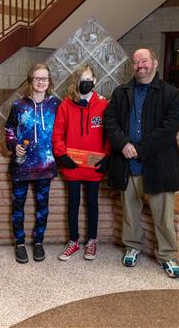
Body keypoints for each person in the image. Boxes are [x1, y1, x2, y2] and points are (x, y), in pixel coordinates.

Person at [103, 48, 179, 278]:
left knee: (163, 216)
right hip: (128, 164)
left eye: (144, 61)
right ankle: (132, 246)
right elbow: (110, 122)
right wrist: (124, 144)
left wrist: (140, 148)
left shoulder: (171, 93)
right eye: (136, 62)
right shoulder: (121, 93)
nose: (140, 66)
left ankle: (167, 255)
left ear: (155, 63)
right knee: (130, 211)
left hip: (158, 165)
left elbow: (170, 128)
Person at [52, 64, 110, 261]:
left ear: (95, 81)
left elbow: (109, 133)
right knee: (73, 203)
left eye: (89, 80)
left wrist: (108, 156)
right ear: (76, 82)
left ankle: (92, 241)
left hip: (94, 166)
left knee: (92, 203)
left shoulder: (103, 105)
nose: (85, 83)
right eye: (81, 80)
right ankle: (74, 241)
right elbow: (58, 134)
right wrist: (61, 155)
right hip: (72, 166)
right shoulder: (66, 105)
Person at [4, 63, 61, 263]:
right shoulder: (19, 105)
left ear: (49, 81)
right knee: (18, 206)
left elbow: (62, 132)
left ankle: (38, 242)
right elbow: (9, 128)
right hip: (21, 165)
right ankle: (20, 244)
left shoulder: (56, 104)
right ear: (31, 80)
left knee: (42, 207)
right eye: (37, 78)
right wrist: (13, 144)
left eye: (44, 78)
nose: (41, 82)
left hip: (46, 166)